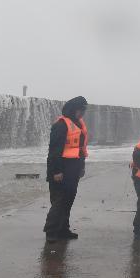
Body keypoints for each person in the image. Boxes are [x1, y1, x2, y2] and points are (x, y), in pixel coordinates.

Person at [43, 96, 88, 241]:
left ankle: (63, 229)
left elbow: (80, 149)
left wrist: (81, 167)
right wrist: (56, 171)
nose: (82, 114)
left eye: (84, 111)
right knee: (59, 201)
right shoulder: (61, 125)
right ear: (73, 109)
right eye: (81, 110)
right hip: (60, 168)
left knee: (69, 200)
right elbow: (54, 151)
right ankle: (51, 231)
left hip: (73, 168)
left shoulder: (79, 125)